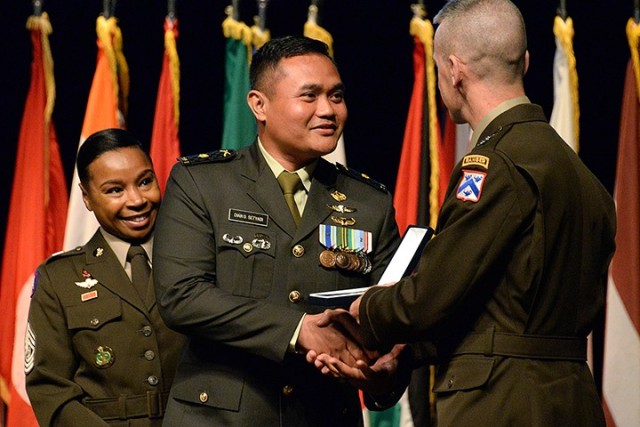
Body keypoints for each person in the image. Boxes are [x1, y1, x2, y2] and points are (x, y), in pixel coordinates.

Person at [311, 1, 617, 426]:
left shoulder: (495, 165)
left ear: (454, 70)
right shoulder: (582, 175)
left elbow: (433, 296)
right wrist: (405, 359)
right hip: (572, 400)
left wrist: (366, 310)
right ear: (525, 61)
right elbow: (499, 308)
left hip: (503, 405)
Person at [152, 35, 403, 426]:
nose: (328, 110)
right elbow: (181, 296)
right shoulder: (202, 183)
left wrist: (385, 375)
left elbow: (393, 314)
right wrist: (297, 329)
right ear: (259, 105)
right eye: (310, 96)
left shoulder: (369, 202)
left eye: (336, 96)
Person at [26, 128, 185, 426]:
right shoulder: (58, 279)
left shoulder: (195, 257)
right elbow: (49, 389)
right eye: (115, 190)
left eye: (145, 182)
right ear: (86, 198)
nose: (137, 200)